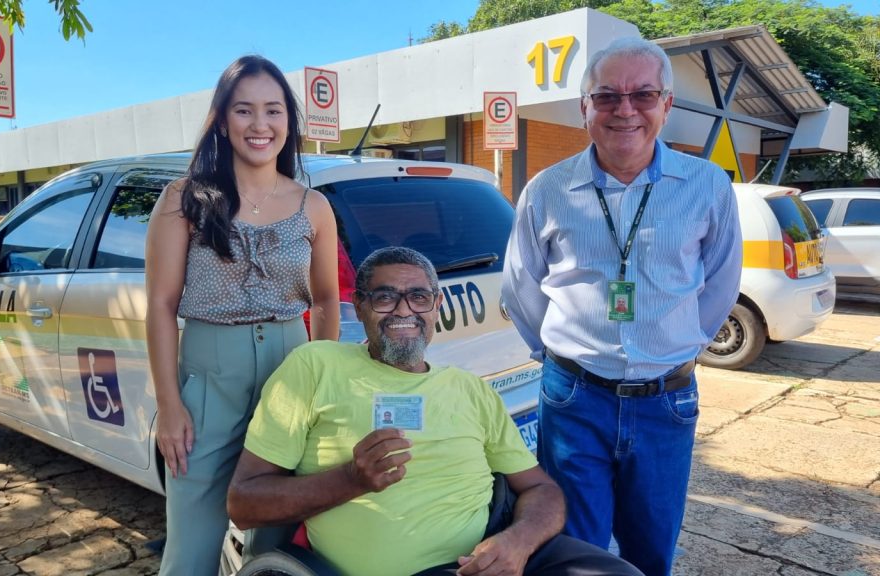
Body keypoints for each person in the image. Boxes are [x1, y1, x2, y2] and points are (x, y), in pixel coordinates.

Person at [229, 247, 642, 576]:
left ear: (436, 306)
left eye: (419, 297)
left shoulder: (468, 389)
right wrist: (351, 479)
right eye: (385, 297)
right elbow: (244, 505)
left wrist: (518, 542)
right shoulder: (317, 365)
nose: (404, 310)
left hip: (493, 560)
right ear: (360, 306)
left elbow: (541, 490)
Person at [501, 36, 742, 576]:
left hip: (666, 401)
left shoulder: (706, 186)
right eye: (607, 96)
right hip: (573, 400)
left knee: (652, 549)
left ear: (667, 105)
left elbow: (721, 283)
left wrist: (676, 344)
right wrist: (560, 355)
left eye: (643, 95)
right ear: (585, 107)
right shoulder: (547, 189)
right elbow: (521, 287)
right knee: (574, 551)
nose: (625, 110)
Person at [145, 54, 340, 575]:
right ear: (223, 120)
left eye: (273, 111)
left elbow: (324, 300)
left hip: (292, 373)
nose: (260, 125)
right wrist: (169, 403)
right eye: (244, 111)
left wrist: (321, 381)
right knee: (191, 545)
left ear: (288, 122)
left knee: (275, 542)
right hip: (209, 378)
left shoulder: (313, 206)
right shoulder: (182, 200)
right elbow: (161, 306)